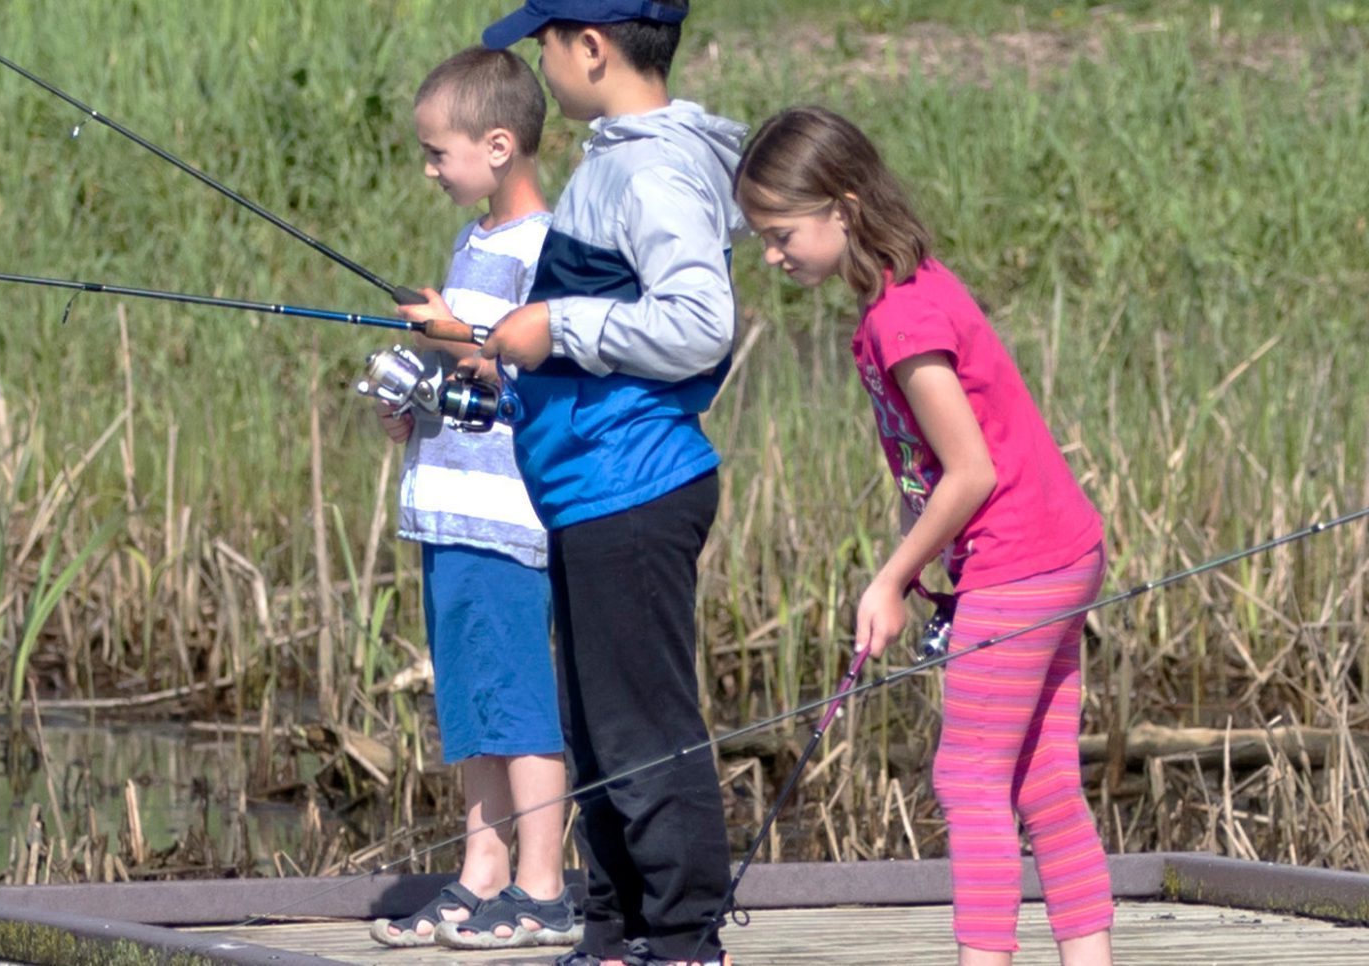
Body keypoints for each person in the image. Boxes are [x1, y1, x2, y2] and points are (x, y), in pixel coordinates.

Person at [399, 2, 745, 963]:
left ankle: (681, 938)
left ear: (590, 49)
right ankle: (614, 929)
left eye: (545, 41)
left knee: (645, 732)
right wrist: (497, 362)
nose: (541, 59)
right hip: (591, 486)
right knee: (597, 736)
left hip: (633, 485)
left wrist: (555, 330)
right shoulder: (618, 157)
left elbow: (699, 322)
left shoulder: (652, 168)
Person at [736, 105, 1114, 966]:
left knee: (968, 778)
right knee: (1044, 780)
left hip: (1020, 563)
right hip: (1060, 552)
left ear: (845, 205)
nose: (772, 255)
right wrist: (921, 575)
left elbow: (970, 470)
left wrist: (889, 579)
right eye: (761, 237)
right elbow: (936, 477)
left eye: (782, 232)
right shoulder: (906, 292)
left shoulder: (902, 320)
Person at [364, 45, 579, 952]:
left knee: (520, 701)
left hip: (505, 519)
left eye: (438, 151)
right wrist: (411, 389)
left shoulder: (551, 247)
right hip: (447, 509)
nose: (428, 167)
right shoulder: (473, 242)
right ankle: (480, 873)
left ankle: (544, 885)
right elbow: (473, 377)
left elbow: (527, 363)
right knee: (472, 701)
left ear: (498, 146)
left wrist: (456, 337)